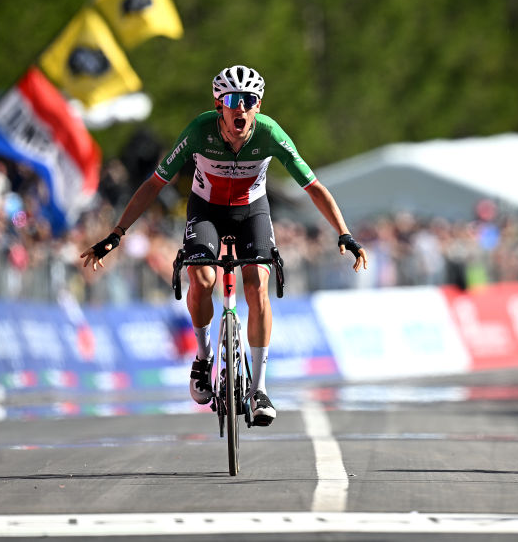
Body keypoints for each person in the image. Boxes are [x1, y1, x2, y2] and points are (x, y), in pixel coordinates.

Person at [81, 65, 368, 426]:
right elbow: (155, 184)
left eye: (249, 101)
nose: (241, 109)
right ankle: (202, 358)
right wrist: (117, 233)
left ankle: (260, 388)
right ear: (220, 105)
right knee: (202, 280)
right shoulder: (200, 131)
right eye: (233, 100)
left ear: (258, 106)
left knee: (257, 284)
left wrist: (344, 233)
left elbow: (312, 187)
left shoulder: (270, 133)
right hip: (207, 212)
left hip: (252, 211)